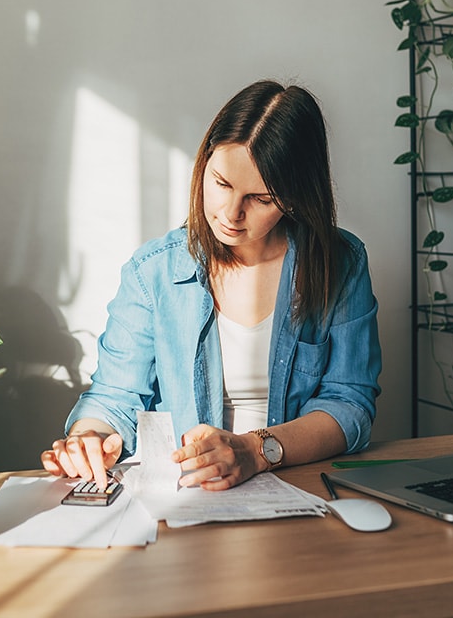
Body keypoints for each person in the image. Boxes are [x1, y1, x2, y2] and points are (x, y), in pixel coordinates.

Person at [41, 80, 382, 492]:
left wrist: (255, 451)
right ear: (204, 164)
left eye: (260, 198)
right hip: (190, 494)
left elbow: (349, 404)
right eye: (221, 184)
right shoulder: (154, 273)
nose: (231, 213)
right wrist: (88, 439)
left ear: (294, 198)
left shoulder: (339, 263)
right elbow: (114, 396)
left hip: (300, 483)